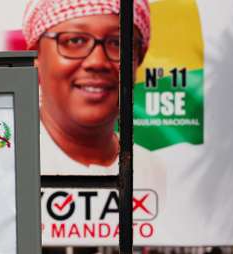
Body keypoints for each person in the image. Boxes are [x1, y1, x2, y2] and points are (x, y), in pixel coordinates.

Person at [22, 0, 158, 176]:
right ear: (36, 55)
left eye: (118, 43)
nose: (97, 62)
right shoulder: (3, 165)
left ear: (139, 58)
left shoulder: (155, 174)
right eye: (75, 40)